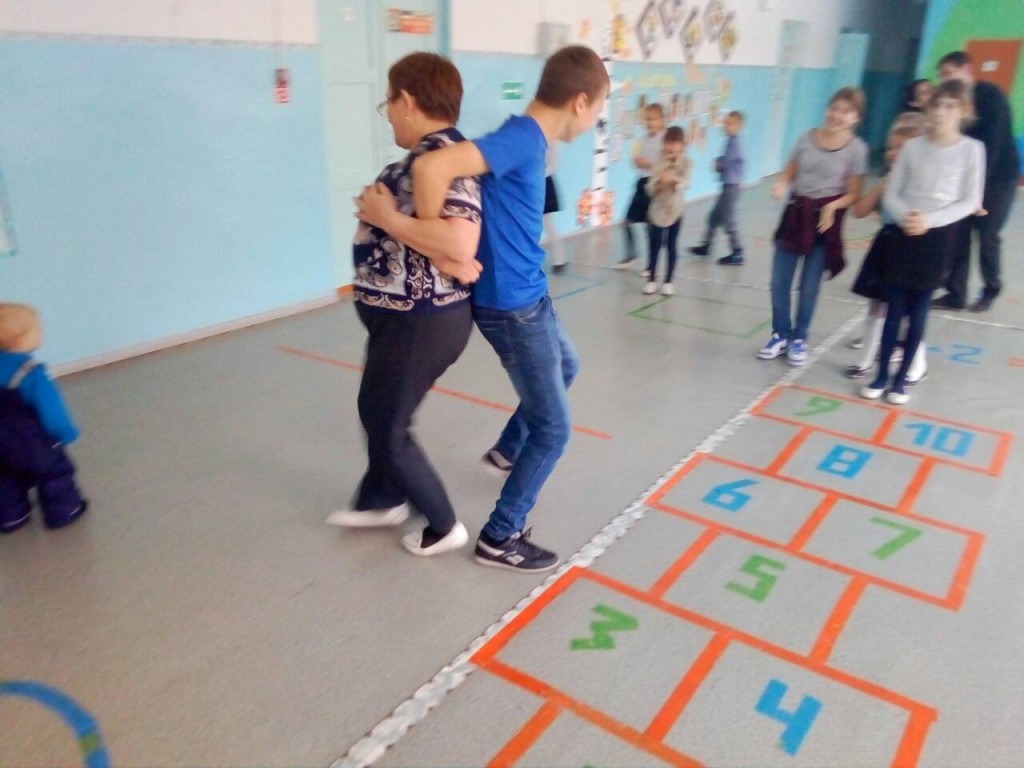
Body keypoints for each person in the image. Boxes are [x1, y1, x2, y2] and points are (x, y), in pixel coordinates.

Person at [413, 45, 609, 572]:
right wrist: (439, 248)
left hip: (530, 296)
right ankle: (500, 536)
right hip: (512, 308)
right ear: (580, 102)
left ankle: (506, 451)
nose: (593, 120)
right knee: (555, 430)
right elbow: (434, 165)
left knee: (568, 366)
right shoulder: (522, 138)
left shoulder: (529, 138)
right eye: (597, 110)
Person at [327, 52, 483, 558]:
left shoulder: (444, 161)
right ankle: (382, 498)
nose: (388, 114)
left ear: (408, 101)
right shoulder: (432, 157)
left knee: (386, 421)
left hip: (422, 320)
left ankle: (443, 525)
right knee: (383, 409)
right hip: (407, 320)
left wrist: (386, 217)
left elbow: (458, 241)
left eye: (388, 103)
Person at [860, 79, 984, 405]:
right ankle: (881, 375)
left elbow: (969, 200)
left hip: (937, 239)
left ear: (963, 111)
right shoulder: (913, 147)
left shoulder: (972, 150)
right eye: (937, 105)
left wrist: (930, 220)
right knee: (893, 309)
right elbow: (893, 192)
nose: (941, 112)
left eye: (950, 106)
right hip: (904, 234)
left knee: (917, 312)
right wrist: (907, 217)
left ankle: (901, 381)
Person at [758, 87, 868, 366]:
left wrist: (832, 206)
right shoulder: (806, 138)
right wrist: (782, 183)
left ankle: (800, 337)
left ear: (856, 118)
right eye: (834, 108)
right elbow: (791, 169)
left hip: (824, 221)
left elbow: (854, 193)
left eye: (846, 111)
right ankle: (780, 333)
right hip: (796, 214)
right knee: (779, 281)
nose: (837, 115)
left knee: (809, 286)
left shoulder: (856, 149)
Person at [932, 51, 1019, 313]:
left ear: (967, 69)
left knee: (988, 235)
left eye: (949, 73)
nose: (945, 79)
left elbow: (992, 145)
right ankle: (955, 293)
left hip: (998, 179)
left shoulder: (990, 96)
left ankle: (990, 289)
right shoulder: (953, 103)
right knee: (959, 236)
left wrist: (978, 191)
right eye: (942, 75)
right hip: (966, 179)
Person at [847, 117, 928, 382]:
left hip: (913, 250)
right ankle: (865, 361)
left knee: (907, 313)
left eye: (900, 148)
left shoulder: (921, 184)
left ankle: (916, 364)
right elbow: (859, 210)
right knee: (875, 307)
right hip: (886, 247)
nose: (893, 153)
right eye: (891, 148)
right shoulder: (888, 180)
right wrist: (884, 183)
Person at [0, 303, 88, 533]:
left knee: (4, 478)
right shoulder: (31, 374)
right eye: (37, 329)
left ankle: (11, 516)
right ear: (20, 340)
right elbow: (51, 409)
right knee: (54, 472)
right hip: (31, 442)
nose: (41, 332)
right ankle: (64, 510)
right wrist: (64, 431)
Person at [690, 110, 745, 265]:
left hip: (731, 187)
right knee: (714, 217)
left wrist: (718, 164)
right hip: (727, 185)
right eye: (725, 123)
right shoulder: (730, 142)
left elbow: (725, 163)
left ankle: (737, 252)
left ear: (738, 126)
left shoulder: (735, 144)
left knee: (729, 219)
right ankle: (706, 245)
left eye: (730, 124)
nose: (726, 126)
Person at [615, 102, 665, 270]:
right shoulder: (644, 139)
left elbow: (664, 165)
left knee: (650, 228)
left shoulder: (664, 140)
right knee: (626, 222)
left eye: (653, 119)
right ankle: (631, 255)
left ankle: (651, 266)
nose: (649, 123)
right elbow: (638, 160)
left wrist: (648, 164)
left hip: (655, 185)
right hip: (642, 183)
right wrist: (637, 162)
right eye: (647, 119)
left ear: (661, 120)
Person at [643, 125, 690, 295]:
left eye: (674, 143)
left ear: (681, 146)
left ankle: (669, 281)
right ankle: (651, 280)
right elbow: (649, 187)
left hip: (675, 211)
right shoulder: (658, 162)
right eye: (667, 143)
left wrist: (673, 180)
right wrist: (658, 184)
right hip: (657, 210)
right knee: (654, 247)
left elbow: (685, 182)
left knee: (671, 245)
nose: (670, 147)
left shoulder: (685, 163)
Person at [543, 145, 567, 274]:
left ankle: (560, 259)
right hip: (532, 182)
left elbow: (553, 165)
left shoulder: (552, 142)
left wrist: (536, 175)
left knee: (547, 222)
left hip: (543, 182)